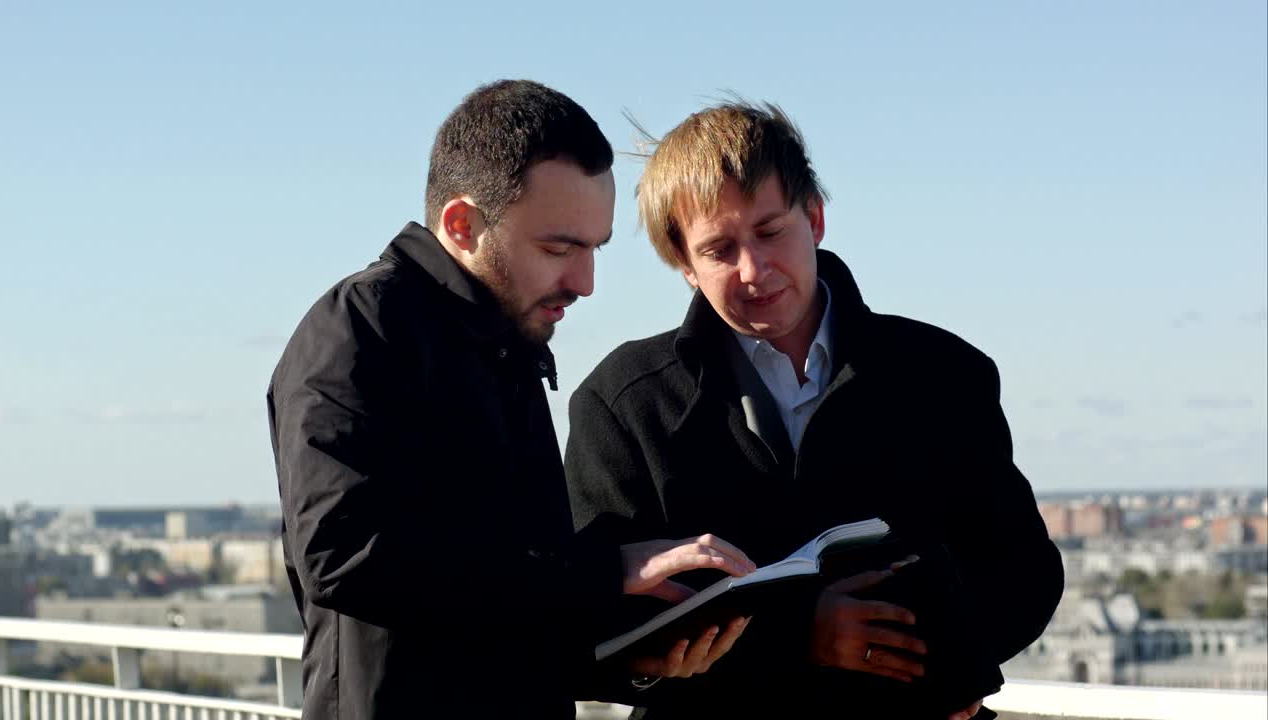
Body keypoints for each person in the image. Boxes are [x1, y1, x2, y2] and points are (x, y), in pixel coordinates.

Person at [267, 80, 751, 720]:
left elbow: (503, 594)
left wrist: (631, 654)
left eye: (594, 248)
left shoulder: (502, 339)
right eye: (559, 248)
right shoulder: (360, 326)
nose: (584, 282)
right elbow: (346, 555)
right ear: (462, 225)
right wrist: (602, 575)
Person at [564, 101, 1064, 719]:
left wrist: (959, 665)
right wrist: (798, 639)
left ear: (817, 218)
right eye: (719, 249)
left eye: (771, 232)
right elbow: (591, 632)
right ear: (684, 263)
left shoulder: (945, 374)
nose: (754, 269)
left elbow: (1024, 573)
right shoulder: (622, 403)